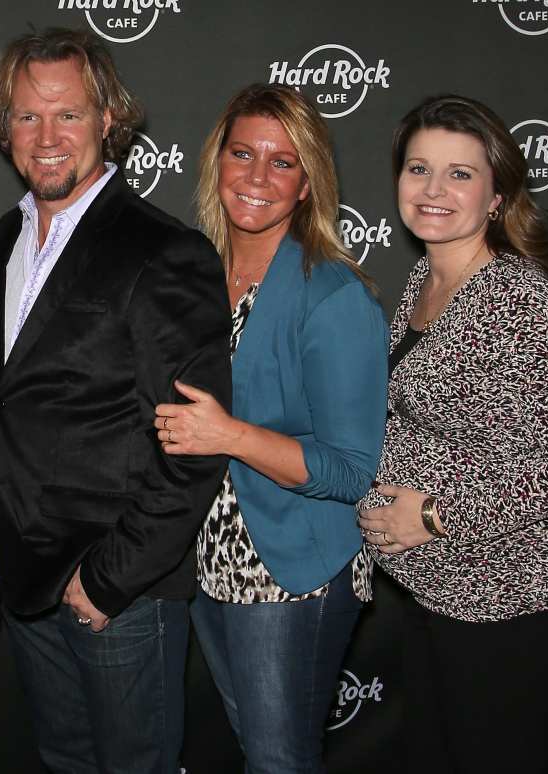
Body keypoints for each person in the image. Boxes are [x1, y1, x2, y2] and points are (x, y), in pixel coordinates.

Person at [0, 27, 231, 774]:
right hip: (26, 574)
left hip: (117, 591)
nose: (47, 136)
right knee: (65, 761)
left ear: (108, 121)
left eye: (69, 114)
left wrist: (109, 579)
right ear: (5, 127)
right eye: (28, 116)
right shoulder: (4, 237)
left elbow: (193, 443)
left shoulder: (163, 249)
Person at [356, 95, 548, 774]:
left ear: (497, 196)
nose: (434, 190)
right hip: (443, 593)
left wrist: (434, 515)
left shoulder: (514, 295)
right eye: (419, 168)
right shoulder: (423, 278)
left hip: (517, 598)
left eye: (460, 174)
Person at [154, 84, 387, 773]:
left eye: (282, 162)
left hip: (292, 569)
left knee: (280, 762)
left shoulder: (333, 294)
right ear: (216, 162)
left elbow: (352, 470)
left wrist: (228, 435)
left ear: (308, 182)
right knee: (261, 752)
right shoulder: (195, 273)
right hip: (206, 560)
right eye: (243, 153)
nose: (257, 177)